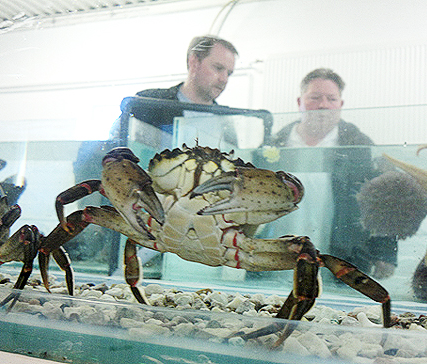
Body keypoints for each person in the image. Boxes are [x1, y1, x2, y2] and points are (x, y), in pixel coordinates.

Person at [266, 68, 397, 280]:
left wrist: (385, 253)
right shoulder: (273, 146)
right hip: (276, 259)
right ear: (299, 102)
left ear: (341, 105)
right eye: (315, 98)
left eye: (331, 99)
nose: (323, 105)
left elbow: (384, 198)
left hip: (341, 258)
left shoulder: (360, 146)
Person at [109, 35, 239, 145]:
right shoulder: (149, 104)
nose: (224, 79)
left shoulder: (226, 122)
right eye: (218, 68)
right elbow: (115, 147)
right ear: (194, 62)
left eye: (229, 73)